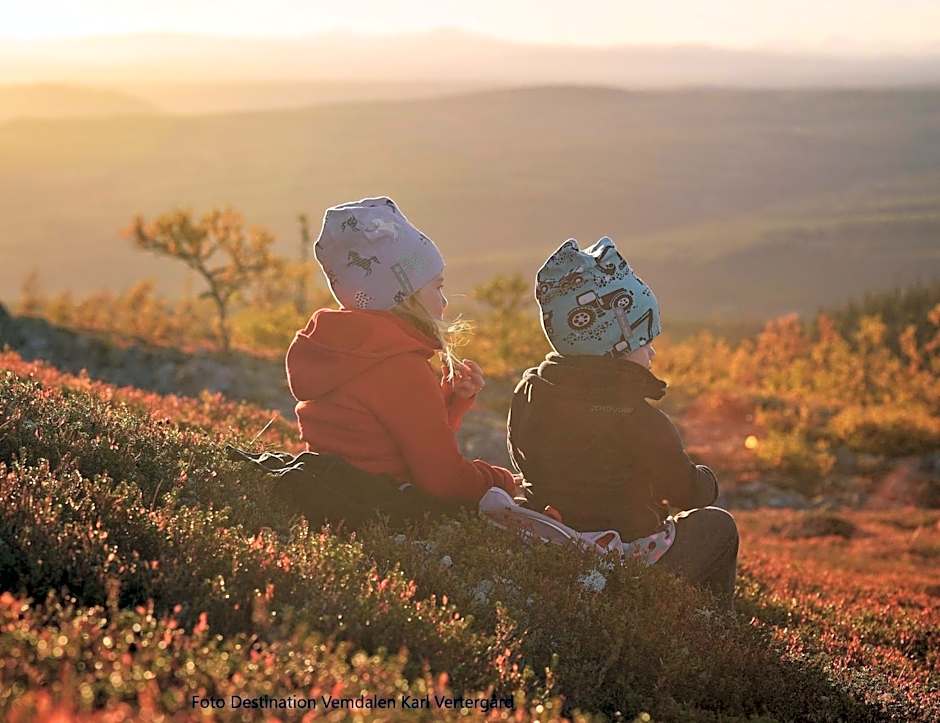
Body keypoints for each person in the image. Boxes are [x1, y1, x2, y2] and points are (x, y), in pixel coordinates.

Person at [507, 237, 739, 609]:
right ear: (614, 342)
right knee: (717, 526)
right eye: (645, 339)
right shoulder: (637, 418)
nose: (653, 351)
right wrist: (705, 481)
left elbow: (521, 458)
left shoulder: (530, 391)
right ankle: (709, 622)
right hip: (629, 561)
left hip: (558, 540)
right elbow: (684, 492)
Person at [285, 196, 521, 508]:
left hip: (343, 504)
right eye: (437, 287)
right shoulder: (399, 367)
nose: (445, 300)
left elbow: (388, 446)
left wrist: (450, 405)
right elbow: (444, 481)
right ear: (406, 296)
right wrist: (502, 480)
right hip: (390, 511)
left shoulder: (346, 350)